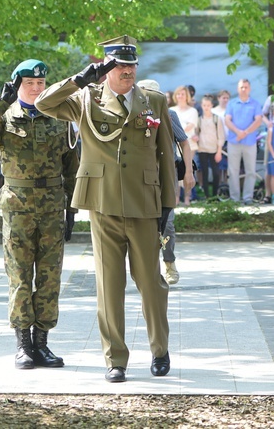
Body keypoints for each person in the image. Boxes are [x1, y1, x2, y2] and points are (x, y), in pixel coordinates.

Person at [36, 35, 188, 383]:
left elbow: (166, 155)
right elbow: (45, 102)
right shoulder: (86, 99)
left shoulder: (154, 101)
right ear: (106, 70)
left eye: (132, 65)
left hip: (145, 204)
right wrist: (80, 78)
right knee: (109, 285)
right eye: (120, 66)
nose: (128, 72)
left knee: (151, 283)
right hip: (103, 203)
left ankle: (160, 350)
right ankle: (115, 359)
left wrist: (168, 204)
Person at [0, 60, 79, 370]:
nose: (37, 88)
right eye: (30, 83)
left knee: (50, 276)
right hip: (17, 206)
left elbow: (72, 164)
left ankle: (42, 343)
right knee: (19, 276)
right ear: (17, 85)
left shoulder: (59, 115)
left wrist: (72, 209)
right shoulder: (3, 116)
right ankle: (23, 345)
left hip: (52, 204)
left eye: (41, 84)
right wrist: (1, 102)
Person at [138, 80, 192, 286]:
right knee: (142, 226)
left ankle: (169, 262)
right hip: (140, 180)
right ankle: (148, 269)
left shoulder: (170, 116)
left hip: (165, 178)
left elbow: (184, 144)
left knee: (167, 224)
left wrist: (188, 172)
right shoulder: (133, 114)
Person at [225, 79, 263, 204]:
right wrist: (238, 132)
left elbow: (258, 120)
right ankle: (234, 198)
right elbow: (227, 120)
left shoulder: (255, 104)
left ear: (250, 88)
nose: (243, 89)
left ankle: (248, 197)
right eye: (241, 87)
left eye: (246, 87)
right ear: (238, 88)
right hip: (234, 141)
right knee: (233, 171)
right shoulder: (231, 103)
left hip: (250, 142)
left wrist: (245, 133)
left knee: (250, 171)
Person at [171, 85, 199, 204]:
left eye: (183, 94)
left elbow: (190, 126)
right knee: (175, 172)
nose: (180, 96)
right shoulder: (172, 110)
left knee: (188, 170)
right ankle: (176, 198)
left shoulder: (193, 111)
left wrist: (178, 130)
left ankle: (187, 198)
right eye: (178, 94)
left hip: (189, 145)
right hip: (174, 145)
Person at [196, 95, 225, 198]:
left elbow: (221, 135)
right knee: (204, 172)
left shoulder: (217, 119)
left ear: (212, 105)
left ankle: (214, 195)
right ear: (201, 106)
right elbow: (196, 133)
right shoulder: (199, 119)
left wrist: (219, 151)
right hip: (202, 149)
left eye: (208, 105)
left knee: (216, 172)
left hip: (214, 149)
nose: (206, 107)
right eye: (204, 105)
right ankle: (207, 196)